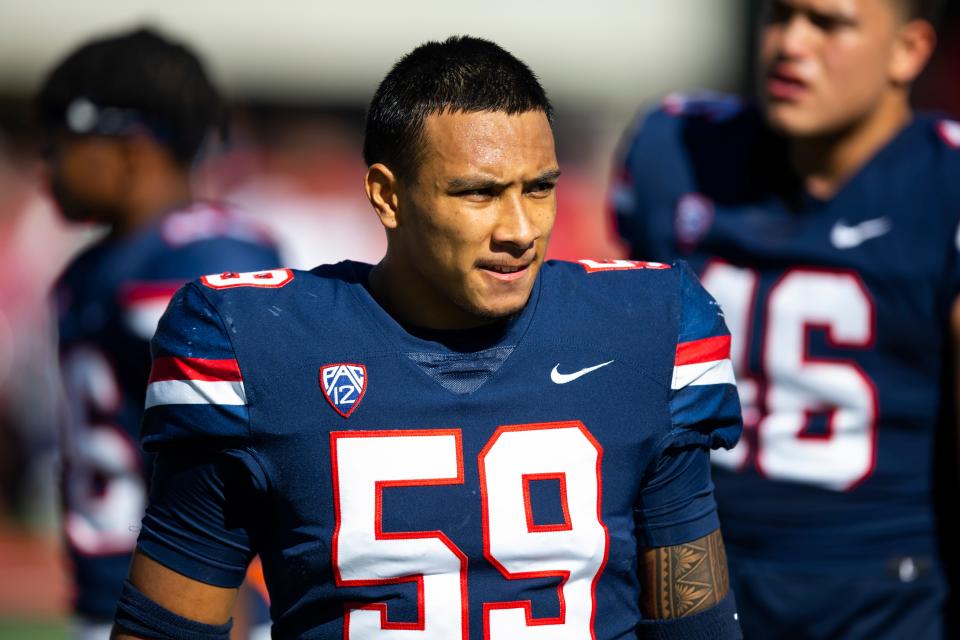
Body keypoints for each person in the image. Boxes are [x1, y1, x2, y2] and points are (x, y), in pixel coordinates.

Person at [110, 35, 743, 639]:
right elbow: (169, 626)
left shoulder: (646, 328)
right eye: (479, 193)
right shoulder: (254, 344)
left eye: (539, 188)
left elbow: (693, 624)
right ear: (388, 196)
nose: (520, 228)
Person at [611, 0, 954, 637]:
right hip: (693, 562)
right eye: (779, 15)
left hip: (880, 591)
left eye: (829, 24)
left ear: (908, 50)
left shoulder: (944, 185)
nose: (790, 43)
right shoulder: (677, 146)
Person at [36, 27, 282, 639]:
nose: (47, 163)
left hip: (188, 605)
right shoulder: (92, 268)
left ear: (131, 149)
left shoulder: (201, 254)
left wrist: (232, 596)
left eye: (61, 141)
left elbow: (246, 450)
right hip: (111, 600)